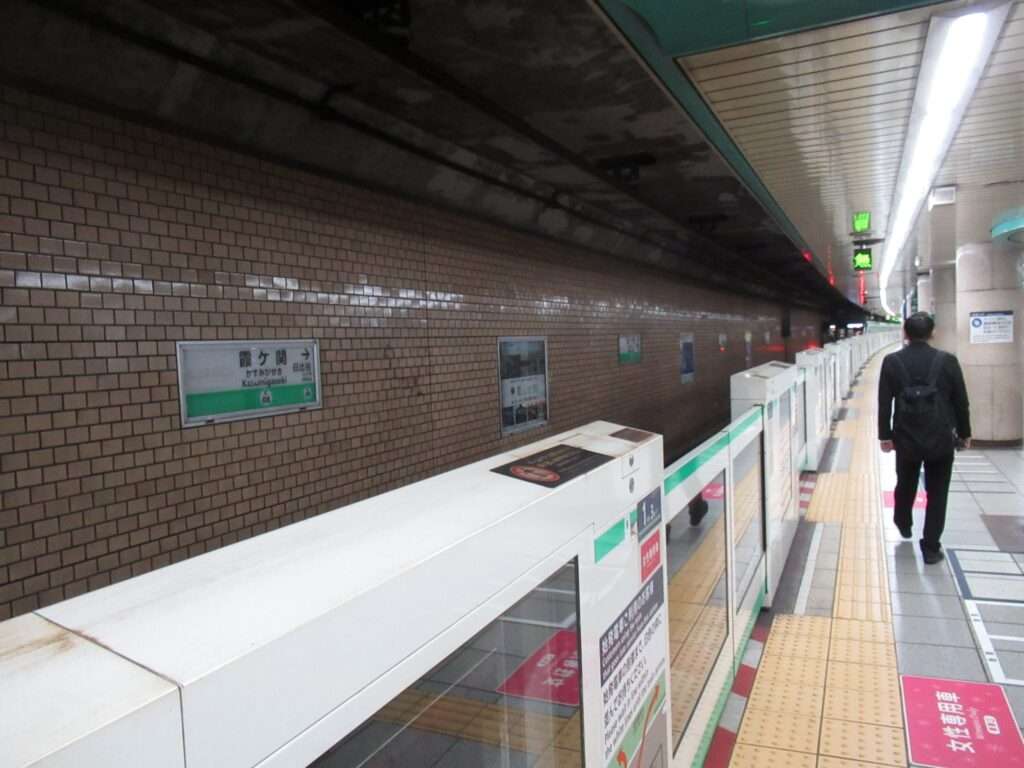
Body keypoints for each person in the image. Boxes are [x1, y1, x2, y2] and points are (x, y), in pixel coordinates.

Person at [878, 313, 971, 564]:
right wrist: (964, 434)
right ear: (933, 333)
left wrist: (884, 437)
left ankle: (903, 521)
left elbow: (884, 402)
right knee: (938, 492)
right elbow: (961, 402)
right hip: (940, 438)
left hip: (905, 437)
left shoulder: (892, 361)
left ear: (905, 334)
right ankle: (931, 548)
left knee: (905, 482)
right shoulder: (948, 361)